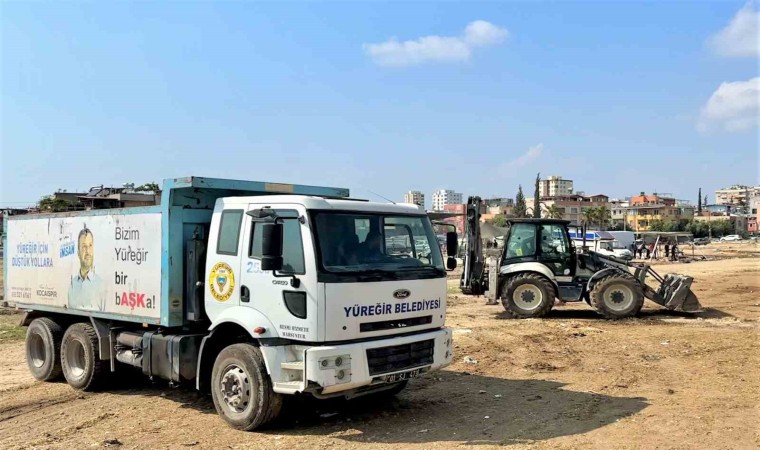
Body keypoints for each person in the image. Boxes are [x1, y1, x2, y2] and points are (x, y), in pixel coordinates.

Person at [67, 225, 106, 311]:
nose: (88, 251)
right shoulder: (72, 286)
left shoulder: (101, 285)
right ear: (78, 252)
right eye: (84, 246)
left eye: (90, 246)